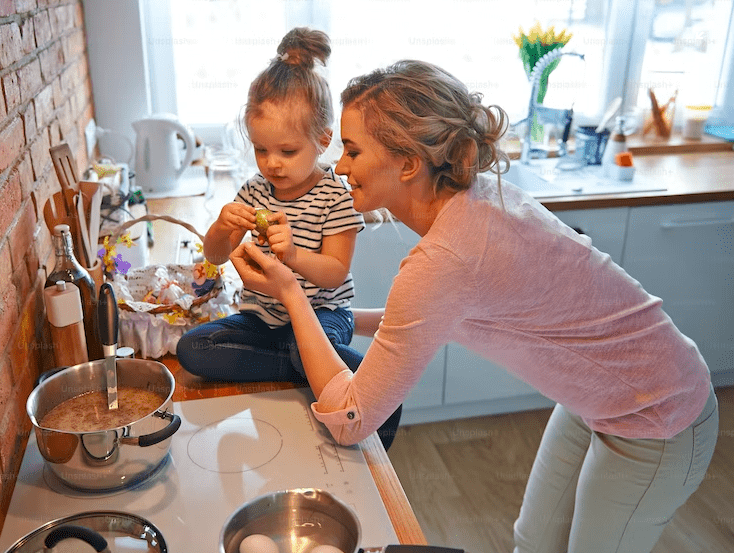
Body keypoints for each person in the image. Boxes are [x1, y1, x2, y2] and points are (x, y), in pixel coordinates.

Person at [228, 59, 719, 552]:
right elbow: (420, 317)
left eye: (353, 151)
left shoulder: (445, 259)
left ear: (407, 163)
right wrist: (337, 318)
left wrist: (292, 293)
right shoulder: (472, 203)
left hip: (659, 413)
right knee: (534, 540)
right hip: (598, 400)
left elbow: (352, 419)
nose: (339, 166)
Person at [176, 28, 363, 387]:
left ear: (322, 140)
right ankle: (301, 367)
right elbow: (216, 255)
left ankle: (326, 367)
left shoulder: (336, 197)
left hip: (323, 314)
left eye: (287, 151)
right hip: (263, 317)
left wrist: (292, 255)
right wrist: (219, 226)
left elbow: (336, 272)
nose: (272, 164)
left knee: (302, 345)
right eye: (261, 150)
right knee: (193, 348)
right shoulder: (254, 191)